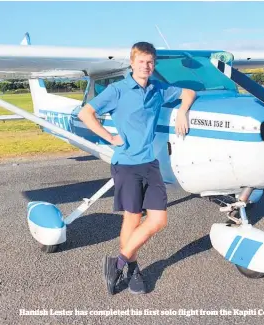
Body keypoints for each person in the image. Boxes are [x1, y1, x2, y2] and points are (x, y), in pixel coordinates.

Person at [78, 42, 196, 295]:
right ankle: (131, 268)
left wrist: (184, 111)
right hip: (126, 165)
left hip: (150, 164)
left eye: (150, 62)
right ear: (132, 63)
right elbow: (86, 114)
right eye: (141, 61)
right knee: (132, 218)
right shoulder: (118, 91)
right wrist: (109, 138)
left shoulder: (157, 89)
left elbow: (188, 92)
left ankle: (118, 261)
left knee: (158, 220)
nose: (146, 66)